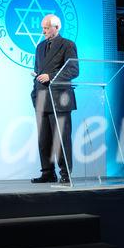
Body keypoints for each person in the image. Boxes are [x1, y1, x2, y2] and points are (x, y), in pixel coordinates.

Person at [31, 14, 79, 184]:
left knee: (61, 139)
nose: (43, 31)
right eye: (43, 28)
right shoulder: (40, 47)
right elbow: (38, 71)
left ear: (56, 27)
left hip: (59, 99)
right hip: (42, 98)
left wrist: (50, 76)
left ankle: (65, 173)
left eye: (46, 28)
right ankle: (47, 172)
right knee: (44, 139)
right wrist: (36, 82)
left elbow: (73, 70)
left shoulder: (67, 45)